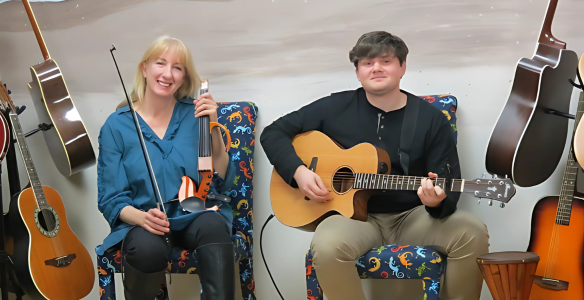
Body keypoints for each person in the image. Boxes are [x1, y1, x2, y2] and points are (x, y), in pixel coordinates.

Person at [260, 31, 489, 300]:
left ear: (402, 67)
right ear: (357, 72)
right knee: (327, 245)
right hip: (354, 219)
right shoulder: (334, 106)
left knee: (471, 232)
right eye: (367, 63)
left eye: (386, 61)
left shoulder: (431, 119)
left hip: (412, 217)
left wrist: (436, 201)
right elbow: (273, 133)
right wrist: (299, 172)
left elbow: (448, 182)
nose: (376, 68)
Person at [96, 35, 237, 300]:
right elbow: (110, 199)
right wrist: (142, 218)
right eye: (161, 63)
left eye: (178, 67)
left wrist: (213, 125)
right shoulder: (115, 126)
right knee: (146, 249)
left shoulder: (196, 114)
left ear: (184, 77)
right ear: (145, 69)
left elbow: (222, 176)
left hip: (193, 213)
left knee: (213, 226)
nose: (168, 74)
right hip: (144, 223)